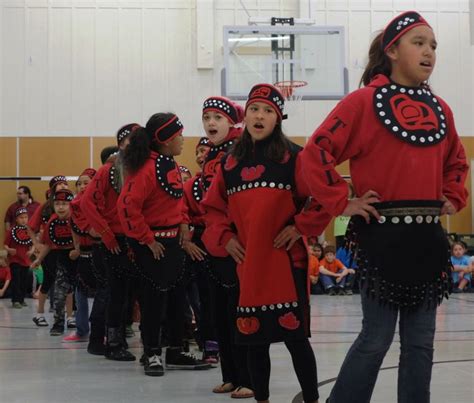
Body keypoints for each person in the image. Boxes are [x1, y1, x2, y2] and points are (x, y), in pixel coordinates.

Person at [299, 11, 469, 403]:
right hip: (380, 237)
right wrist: (344, 201)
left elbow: (457, 162)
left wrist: (452, 196)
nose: (429, 52)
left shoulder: (441, 109)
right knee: (375, 338)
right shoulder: (361, 103)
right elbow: (316, 152)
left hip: (427, 240)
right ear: (392, 50)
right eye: (419, 43)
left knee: (421, 343)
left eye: (434, 46)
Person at [203, 83, 332, 403]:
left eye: (268, 111)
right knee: (254, 342)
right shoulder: (230, 164)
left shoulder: (295, 158)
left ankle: (312, 399)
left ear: (278, 118)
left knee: (297, 340)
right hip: (249, 266)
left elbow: (323, 198)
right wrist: (225, 237)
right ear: (245, 116)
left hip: (285, 264)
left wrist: (300, 226)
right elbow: (212, 208)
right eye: (254, 110)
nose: (259, 116)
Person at [117, 113, 210, 376]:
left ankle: (175, 351)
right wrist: (147, 240)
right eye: (179, 135)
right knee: (153, 302)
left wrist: (182, 222)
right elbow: (126, 208)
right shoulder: (145, 169)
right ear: (166, 140)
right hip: (152, 247)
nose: (183, 139)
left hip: (173, 245)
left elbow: (175, 200)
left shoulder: (167, 164)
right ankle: (152, 353)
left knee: (177, 302)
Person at [200, 96, 254, 398]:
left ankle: (249, 378)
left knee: (240, 314)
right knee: (219, 314)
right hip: (214, 245)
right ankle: (231, 375)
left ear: (232, 121)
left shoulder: (239, 151)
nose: (210, 123)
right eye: (206, 117)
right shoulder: (212, 154)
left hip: (236, 245)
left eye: (217, 117)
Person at [81, 124, 140, 360]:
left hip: (135, 239)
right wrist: (105, 233)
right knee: (112, 292)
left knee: (127, 293)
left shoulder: (142, 169)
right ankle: (106, 342)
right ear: (120, 144)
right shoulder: (108, 171)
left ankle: (117, 341)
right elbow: (85, 203)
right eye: (128, 141)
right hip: (114, 240)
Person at [31, 189, 79, 336]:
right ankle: (58, 323)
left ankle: (78, 320)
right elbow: (48, 244)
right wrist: (39, 259)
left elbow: (81, 237)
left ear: (71, 204)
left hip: (79, 257)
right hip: (60, 258)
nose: (61, 207)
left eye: (64, 204)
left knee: (78, 292)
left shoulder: (77, 219)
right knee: (59, 292)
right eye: (57, 204)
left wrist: (77, 250)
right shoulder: (52, 221)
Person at [4, 208, 34, 308]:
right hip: (15, 259)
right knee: (16, 280)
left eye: (26, 217)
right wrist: (9, 250)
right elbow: (5, 245)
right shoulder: (12, 230)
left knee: (24, 281)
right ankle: (15, 300)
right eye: (21, 217)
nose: (24, 219)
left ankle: (21, 299)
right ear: (16, 219)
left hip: (25, 260)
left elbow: (33, 243)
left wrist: (32, 250)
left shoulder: (29, 231)